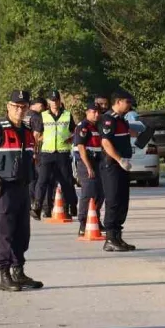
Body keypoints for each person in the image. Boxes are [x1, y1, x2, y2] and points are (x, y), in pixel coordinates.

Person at [0, 90, 43, 292]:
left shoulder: (27, 130)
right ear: (8, 106)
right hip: (3, 189)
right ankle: (4, 275)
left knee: (22, 233)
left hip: (22, 188)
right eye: (16, 106)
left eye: (24, 106)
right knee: (4, 234)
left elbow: (33, 158)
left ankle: (19, 272)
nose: (20, 110)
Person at [98, 90, 138, 252]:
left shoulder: (122, 120)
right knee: (113, 200)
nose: (129, 105)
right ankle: (110, 238)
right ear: (118, 101)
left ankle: (118, 237)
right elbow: (106, 143)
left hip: (122, 166)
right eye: (127, 102)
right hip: (112, 165)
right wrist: (119, 160)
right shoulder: (108, 119)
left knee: (122, 201)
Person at [34, 90, 78, 219]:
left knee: (67, 181)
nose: (54, 102)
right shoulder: (43, 116)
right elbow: (36, 135)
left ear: (60, 101)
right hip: (47, 153)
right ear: (49, 102)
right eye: (52, 100)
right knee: (42, 181)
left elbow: (74, 131)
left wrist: (71, 139)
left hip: (63, 152)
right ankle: (37, 207)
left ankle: (71, 206)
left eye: (56, 100)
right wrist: (36, 150)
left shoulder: (67, 115)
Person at [73, 97, 105, 237]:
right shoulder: (83, 126)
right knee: (88, 193)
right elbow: (81, 147)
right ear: (87, 112)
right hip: (87, 162)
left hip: (99, 162)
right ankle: (83, 223)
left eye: (98, 112)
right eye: (93, 112)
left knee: (101, 193)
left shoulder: (97, 126)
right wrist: (88, 167)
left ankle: (95, 219)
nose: (96, 114)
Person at [26, 97, 46, 215]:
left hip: (23, 150)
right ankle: (35, 202)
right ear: (38, 105)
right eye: (42, 106)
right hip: (35, 151)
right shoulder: (37, 117)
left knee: (29, 178)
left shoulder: (24, 115)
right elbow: (36, 136)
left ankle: (28, 202)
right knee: (37, 177)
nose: (43, 109)